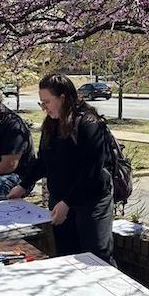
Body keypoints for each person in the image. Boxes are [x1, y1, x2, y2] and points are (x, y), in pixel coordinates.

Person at [8, 73, 115, 264]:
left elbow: (92, 171)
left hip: (91, 202)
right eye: (41, 103)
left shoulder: (89, 123)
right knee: (67, 257)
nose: (44, 108)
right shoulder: (51, 125)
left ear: (63, 98)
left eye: (47, 102)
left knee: (96, 259)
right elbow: (43, 161)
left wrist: (67, 202)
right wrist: (23, 186)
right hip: (61, 202)